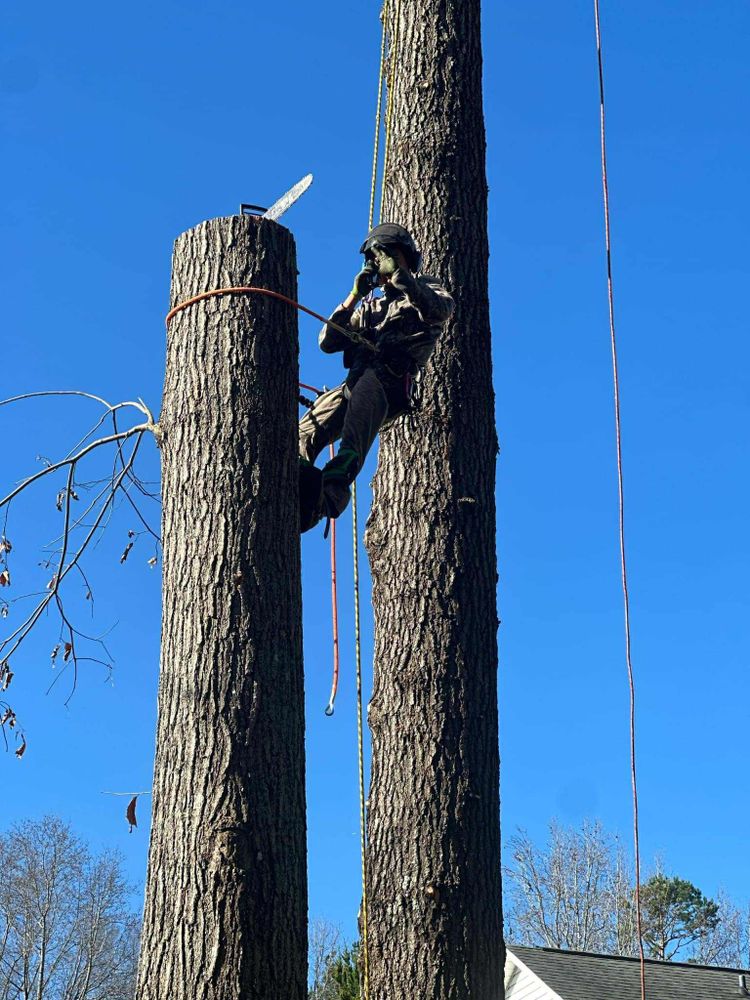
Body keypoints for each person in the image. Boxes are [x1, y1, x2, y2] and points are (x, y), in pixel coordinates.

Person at [299, 223, 455, 532]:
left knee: (354, 436)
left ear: (405, 256)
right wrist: (354, 295)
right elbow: (328, 341)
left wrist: (401, 276)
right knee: (304, 432)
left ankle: (329, 496)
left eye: (385, 255)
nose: (379, 264)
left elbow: (440, 310)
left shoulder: (427, 290)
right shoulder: (372, 307)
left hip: (388, 382)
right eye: (374, 258)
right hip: (355, 383)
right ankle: (297, 486)